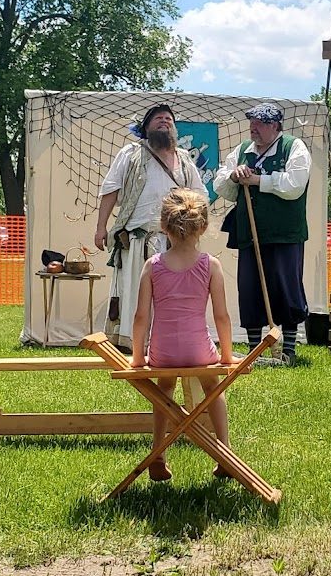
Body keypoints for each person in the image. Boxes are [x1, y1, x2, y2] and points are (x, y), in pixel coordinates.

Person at [131, 188, 234, 482]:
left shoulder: (153, 266)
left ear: (164, 226)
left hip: (162, 352)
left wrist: (139, 358)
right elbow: (222, 316)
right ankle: (224, 451)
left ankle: (158, 454)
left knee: (164, 389)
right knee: (212, 385)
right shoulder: (210, 265)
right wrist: (226, 355)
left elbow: (141, 317)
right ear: (202, 227)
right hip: (198, 349)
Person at [94, 104, 208, 349]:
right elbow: (110, 189)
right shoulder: (131, 153)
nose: (164, 121)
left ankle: (166, 342)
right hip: (138, 239)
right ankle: (134, 343)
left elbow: (200, 195)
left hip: (175, 241)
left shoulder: (185, 159)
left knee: (171, 295)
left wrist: (196, 229)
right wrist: (101, 227)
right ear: (146, 127)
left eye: (168, 118)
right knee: (137, 293)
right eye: (158, 118)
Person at [214, 103, 311, 367]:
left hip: (284, 234)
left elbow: (295, 185)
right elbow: (221, 184)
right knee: (250, 288)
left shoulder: (294, 147)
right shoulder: (243, 150)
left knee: (286, 287)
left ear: (275, 126)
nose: (253, 128)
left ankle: (288, 349)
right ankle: (255, 349)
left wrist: (259, 181)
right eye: (252, 122)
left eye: (260, 123)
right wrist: (234, 176)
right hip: (250, 233)